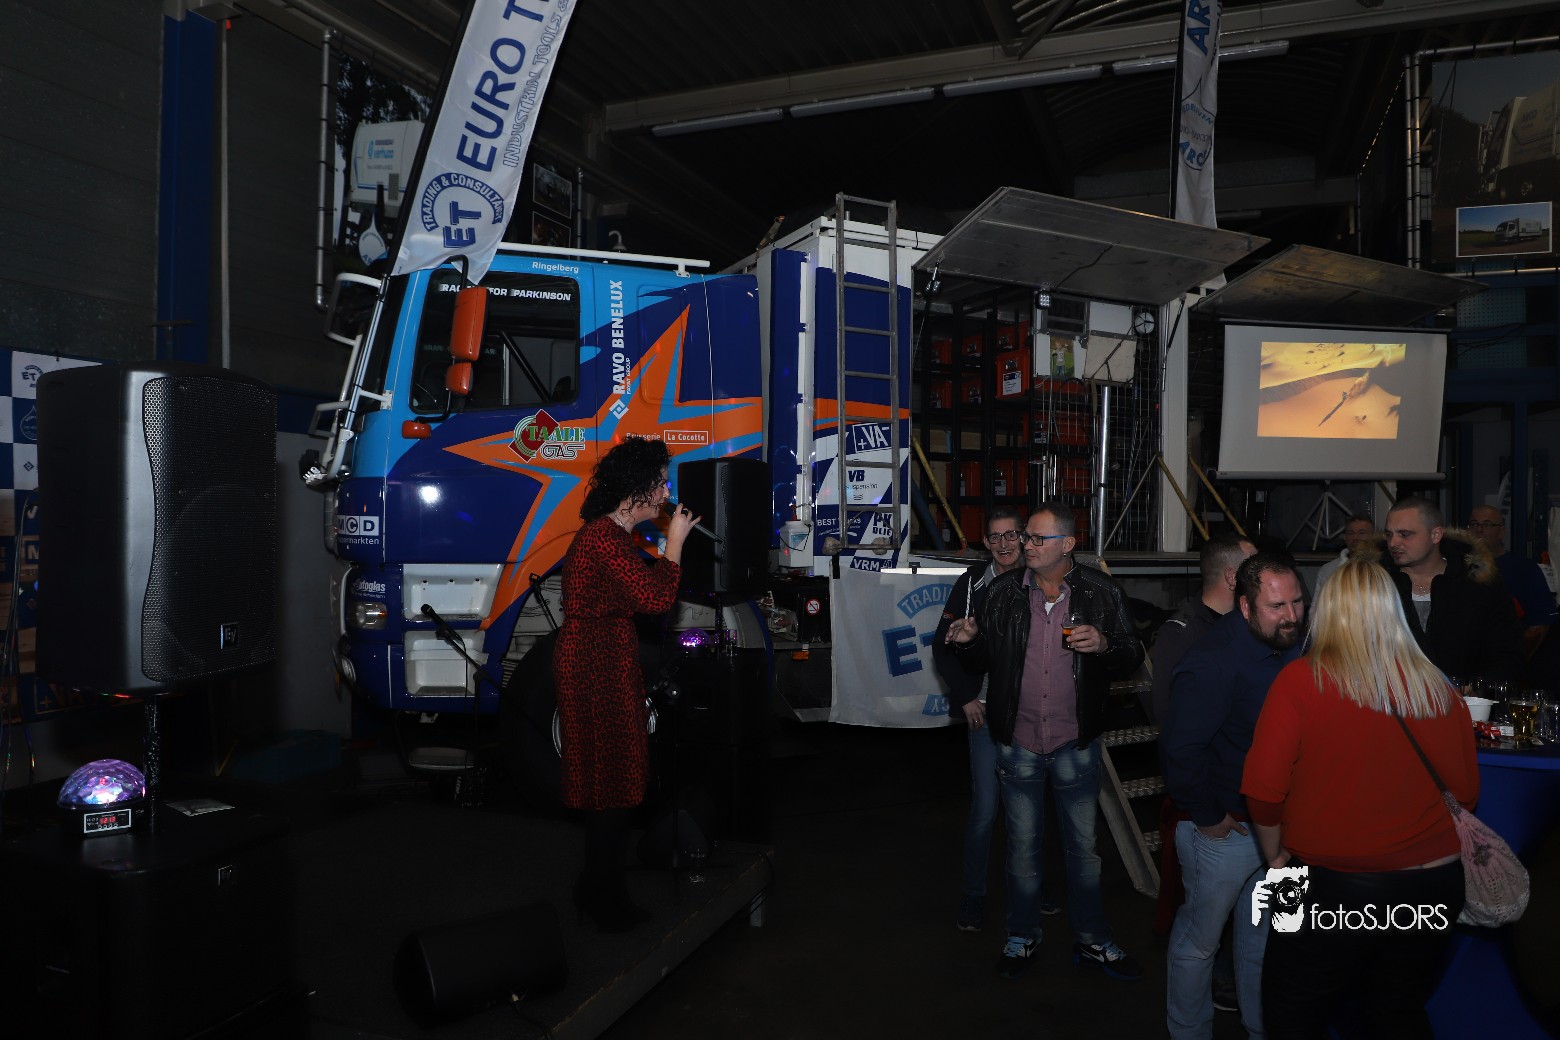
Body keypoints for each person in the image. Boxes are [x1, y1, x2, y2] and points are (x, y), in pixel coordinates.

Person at [1242, 558, 1477, 1039]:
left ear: (1326, 612)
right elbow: (1468, 795)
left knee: (1291, 1016)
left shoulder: (1301, 680)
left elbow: (1263, 792)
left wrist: (1275, 859)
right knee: (1396, 1011)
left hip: (1332, 885)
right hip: (1434, 886)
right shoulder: (1439, 686)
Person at [945, 501, 1145, 981]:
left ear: (1068, 544)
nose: (1026, 546)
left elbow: (1132, 652)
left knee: (1084, 851)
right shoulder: (1002, 593)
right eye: (1026, 537)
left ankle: (1092, 940)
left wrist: (1106, 645)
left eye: (1037, 538)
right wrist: (970, 642)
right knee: (1022, 848)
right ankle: (1021, 936)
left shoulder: (1101, 591)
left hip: (1076, 741)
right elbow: (983, 660)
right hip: (1018, 740)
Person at [553, 437, 699, 932]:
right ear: (636, 488)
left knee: (613, 782)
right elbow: (655, 599)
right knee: (611, 783)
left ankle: (597, 887)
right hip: (594, 660)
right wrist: (675, 542)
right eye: (660, 483)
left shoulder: (612, 536)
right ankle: (602, 894)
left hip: (603, 655)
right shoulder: (603, 538)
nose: (666, 492)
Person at [1162, 552, 1307, 1040]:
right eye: (1276, 606)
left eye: (1296, 602)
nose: (1290, 615)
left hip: (1282, 830)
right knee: (1199, 944)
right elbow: (1181, 749)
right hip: (1227, 832)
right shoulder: (1212, 662)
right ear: (1244, 606)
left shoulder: (1295, 646)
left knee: (1264, 942)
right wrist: (1208, 816)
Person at [1148, 531, 1257, 1010]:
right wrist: (1208, 809)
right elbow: (1174, 730)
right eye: (1255, 566)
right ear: (1233, 577)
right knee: (1203, 926)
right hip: (1214, 811)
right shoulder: (1183, 632)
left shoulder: (1251, 625)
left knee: (1257, 927)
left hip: (1255, 810)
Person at [932, 508, 1027, 933]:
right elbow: (942, 645)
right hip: (986, 715)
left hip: (1030, 716)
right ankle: (973, 895)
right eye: (995, 537)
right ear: (985, 543)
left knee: (1028, 813)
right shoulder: (972, 583)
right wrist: (967, 696)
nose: (1004, 544)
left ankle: (1034, 889)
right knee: (986, 810)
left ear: (1023, 538)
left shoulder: (1039, 581)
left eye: (1011, 535)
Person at [1376, 496, 1523, 685]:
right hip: (1387, 698)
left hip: (1465, 700)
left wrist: (1477, 687)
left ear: (1436, 535)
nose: (1393, 543)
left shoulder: (1477, 585)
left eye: (1405, 534)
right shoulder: (1374, 583)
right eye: (1389, 534)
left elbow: (1507, 652)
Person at [1468, 504, 1557, 659]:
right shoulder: (1456, 567)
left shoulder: (1524, 569)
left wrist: (1515, 661)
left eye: (1487, 524)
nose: (1479, 530)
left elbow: (1540, 625)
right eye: (1474, 524)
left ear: (1501, 531)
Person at [1313, 514, 1374, 592]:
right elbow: (1319, 600)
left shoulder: (1381, 568)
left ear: (1372, 536)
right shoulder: (1328, 571)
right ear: (1345, 537)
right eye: (1351, 533)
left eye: (1362, 533)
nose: (1355, 537)